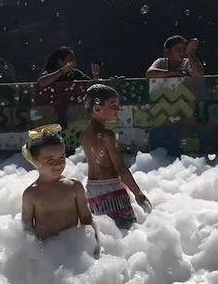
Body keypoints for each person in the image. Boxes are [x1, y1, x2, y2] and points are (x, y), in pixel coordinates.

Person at [20, 124, 100, 257]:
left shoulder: (74, 187)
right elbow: (26, 228)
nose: (58, 163)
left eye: (61, 157)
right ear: (35, 161)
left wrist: (95, 248)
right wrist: (32, 254)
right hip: (47, 253)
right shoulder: (31, 194)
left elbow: (87, 219)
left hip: (74, 250)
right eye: (50, 160)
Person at [81, 84, 151, 229]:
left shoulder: (85, 133)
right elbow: (121, 169)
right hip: (111, 190)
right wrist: (138, 193)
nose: (118, 109)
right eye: (113, 106)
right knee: (127, 231)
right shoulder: (108, 135)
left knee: (104, 232)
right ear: (97, 109)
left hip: (92, 189)